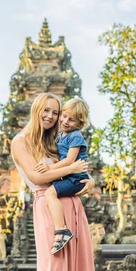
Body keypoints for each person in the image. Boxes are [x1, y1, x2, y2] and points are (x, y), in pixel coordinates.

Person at [11, 92, 96, 271]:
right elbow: (37, 175)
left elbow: (74, 170)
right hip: (47, 207)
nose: (51, 116)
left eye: (55, 112)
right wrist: (72, 170)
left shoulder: (55, 141)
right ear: (36, 109)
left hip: (70, 204)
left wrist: (87, 181)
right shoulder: (21, 141)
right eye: (46, 110)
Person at [34, 98, 90, 255]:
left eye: (71, 120)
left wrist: (49, 168)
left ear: (80, 123)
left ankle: (62, 230)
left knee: (50, 193)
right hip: (69, 176)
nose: (65, 121)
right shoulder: (60, 135)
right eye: (64, 116)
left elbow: (70, 160)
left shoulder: (76, 136)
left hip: (75, 178)